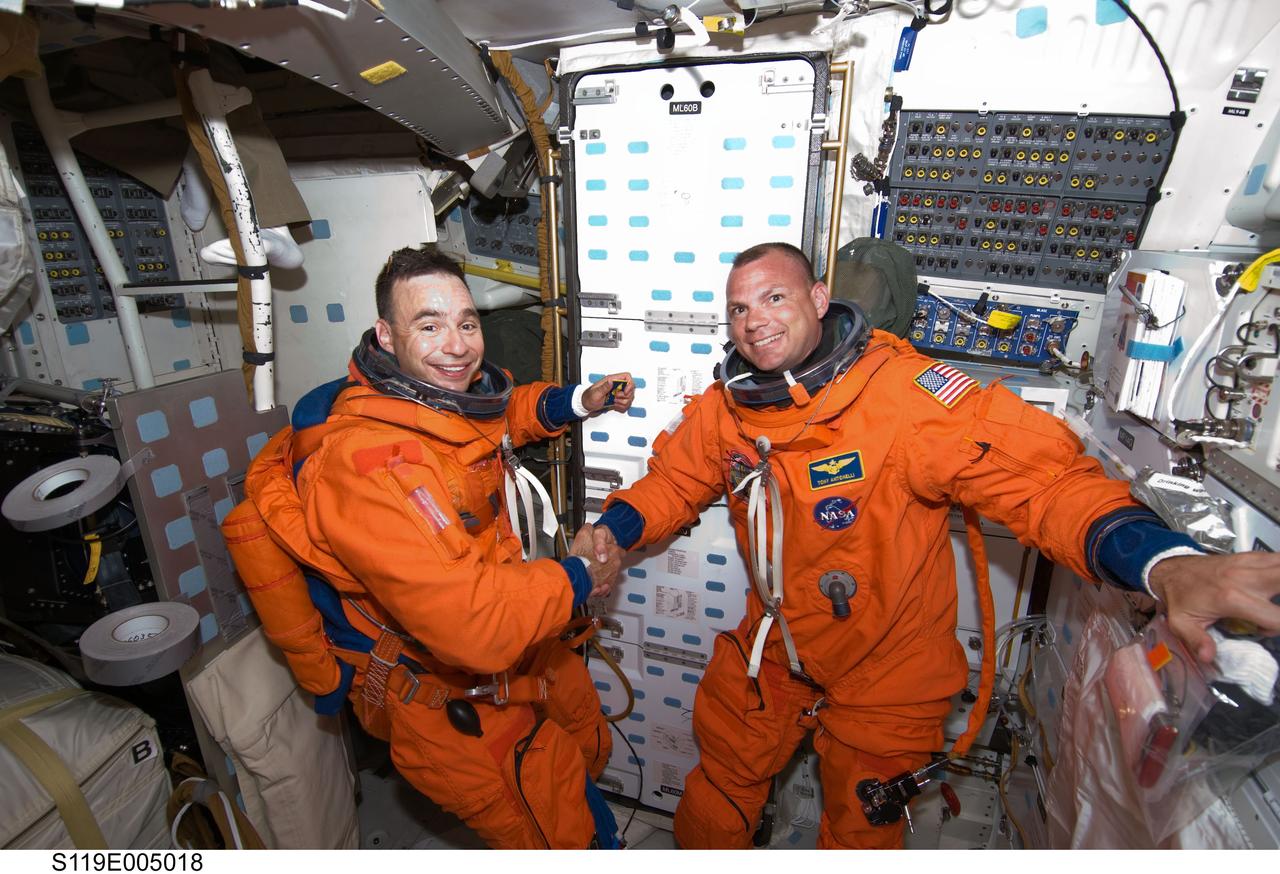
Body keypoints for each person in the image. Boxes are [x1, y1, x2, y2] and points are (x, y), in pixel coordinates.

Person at [590, 241, 1280, 849]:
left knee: (860, 832)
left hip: (888, 667)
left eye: (773, 297)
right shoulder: (729, 409)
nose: (755, 320)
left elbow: (1045, 486)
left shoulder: (908, 399)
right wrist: (612, 534)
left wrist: (1165, 565)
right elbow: (672, 484)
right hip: (776, 646)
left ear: (819, 298)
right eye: (739, 309)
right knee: (718, 790)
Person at [228, 246, 635, 848]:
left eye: (467, 323)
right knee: (558, 831)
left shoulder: (431, 402)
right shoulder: (371, 469)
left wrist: (578, 401)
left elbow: (497, 416)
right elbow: (474, 624)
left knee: (583, 754)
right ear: (385, 336)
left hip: (521, 653)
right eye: (429, 324)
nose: (458, 345)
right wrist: (579, 574)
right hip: (452, 698)